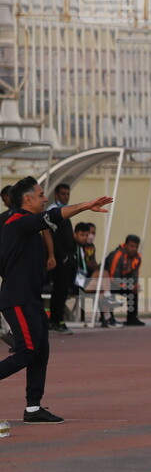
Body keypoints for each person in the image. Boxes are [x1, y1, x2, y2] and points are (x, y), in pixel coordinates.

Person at [0, 177, 111, 423]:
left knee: (41, 352)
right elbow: (55, 216)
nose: (45, 198)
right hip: (17, 299)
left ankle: (33, 409)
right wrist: (84, 206)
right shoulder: (18, 221)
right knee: (27, 351)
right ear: (27, 199)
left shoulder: (17, 224)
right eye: (41, 195)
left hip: (32, 299)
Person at [45, 183, 75, 335]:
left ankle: (56, 320)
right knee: (59, 289)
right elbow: (52, 237)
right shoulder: (52, 211)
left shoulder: (66, 211)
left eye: (67, 194)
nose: (66, 196)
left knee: (63, 289)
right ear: (56, 195)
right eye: (63, 194)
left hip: (66, 259)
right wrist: (61, 256)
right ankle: (56, 320)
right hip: (58, 259)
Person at [102, 234, 144, 326]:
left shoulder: (137, 258)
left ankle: (132, 317)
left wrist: (135, 284)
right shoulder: (117, 256)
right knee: (110, 289)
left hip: (121, 282)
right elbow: (113, 278)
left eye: (136, 246)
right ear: (126, 245)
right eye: (132, 246)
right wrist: (128, 285)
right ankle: (108, 317)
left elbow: (134, 275)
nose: (134, 249)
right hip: (107, 282)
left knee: (134, 291)